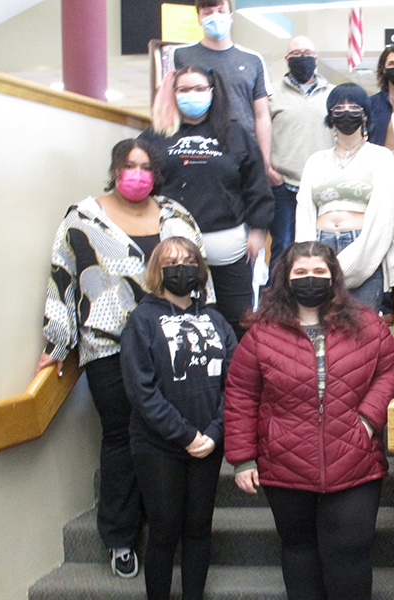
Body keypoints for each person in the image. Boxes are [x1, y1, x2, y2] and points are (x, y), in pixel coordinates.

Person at [35, 138, 214, 579]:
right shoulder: (83, 218)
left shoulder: (178, 216)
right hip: (109, 346)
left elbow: (200, 274)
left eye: (146, 166)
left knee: (169, 436)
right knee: (121, 437)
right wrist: (57, 342)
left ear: (157, 173)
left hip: (175, 343)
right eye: (129, 165)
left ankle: (166, 526)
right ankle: (119, 535)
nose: (137, 173)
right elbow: (63, 280)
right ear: (115, 169)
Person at [224, 241, 394, 600]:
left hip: (354, 456)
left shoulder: (367, 324)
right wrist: (242, 459)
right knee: (299, 550)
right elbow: (241, 393)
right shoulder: (262, 332)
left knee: (350, 552)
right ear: (285, 280)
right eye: (300, 272)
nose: (310, 279)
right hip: (285, 459)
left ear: (334, 277)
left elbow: (392, 369)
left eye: (319, 271)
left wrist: (368, 418)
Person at [120, 237, 236, 600]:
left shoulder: (216, 319)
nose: (182, 268)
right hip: (159, 446)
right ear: (158, 270)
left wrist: (215, 433)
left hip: (209, 443)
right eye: (172, 262)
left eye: (189, 260)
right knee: (165, 529)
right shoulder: (141, 320)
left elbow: (237, 381)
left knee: (199, 528)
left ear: (200, 270)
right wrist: (186, 435)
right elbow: (142, 392)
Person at [140, 65, 274, 336]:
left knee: (239, 322)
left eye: (200, 88)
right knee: (178, 323)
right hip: (172, 246)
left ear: (212, 92)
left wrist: (259, 230)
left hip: (228, 244)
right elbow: (143, 186)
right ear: (173, 94)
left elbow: (257, 185)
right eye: (185, 89)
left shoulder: (235, 133)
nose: (193, 94)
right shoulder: (154, 137)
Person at [295, 83, 394, 313]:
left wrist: (340, 268)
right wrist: (310, 262)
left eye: (354, 107)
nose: (346, 112)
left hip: (365, 251)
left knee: (360, 337)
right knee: (317, 329)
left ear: (365, 114)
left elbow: (384, 221)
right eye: (339, 107)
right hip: (318, 249)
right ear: (330, 117)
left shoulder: (381, 157)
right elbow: (303, 213)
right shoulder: (316, 160)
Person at [172, 0, 275, 177]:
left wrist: (264, 160)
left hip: (244, 150)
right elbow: (170, 105)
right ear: (199, 18)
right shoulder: (181, 55)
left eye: (220, 11)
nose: (215, 17)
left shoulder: (253, 60)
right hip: (198, 150)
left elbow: (262, 115)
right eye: (207, 12)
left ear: (231, 16)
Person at [268, 35, 334, 267]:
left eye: (307, 53)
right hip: (283, 186)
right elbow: (260, 135)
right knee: (282, 249)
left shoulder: (332, 95)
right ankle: (278, 302)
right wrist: (268, 170)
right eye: (296, 54)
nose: (302, 58)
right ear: (287, 59)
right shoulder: (271, 94)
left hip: (323, 187)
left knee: (321, 248)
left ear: (315, 58)